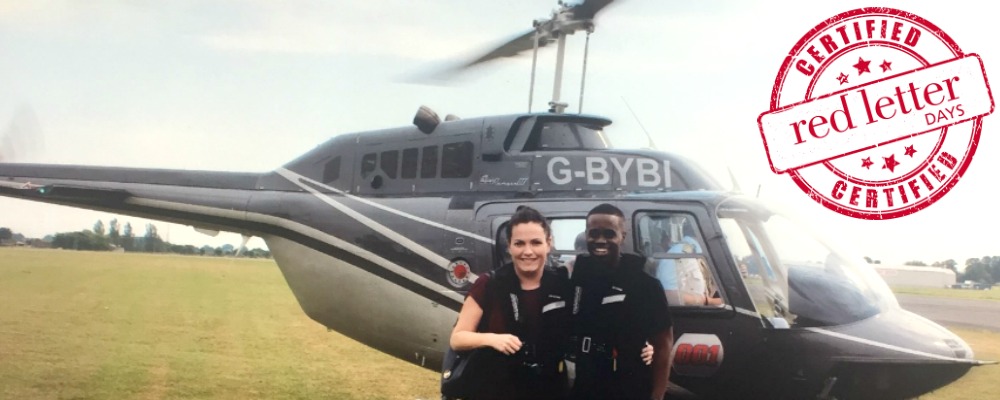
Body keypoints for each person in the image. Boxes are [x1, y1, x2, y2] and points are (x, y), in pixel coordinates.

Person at [449, 206, 571, 399]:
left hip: (548, 387)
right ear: (509, 246)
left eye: (536, 243)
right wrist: (492, 339)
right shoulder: (489, 284)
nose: (528, 251)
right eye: (519, 243)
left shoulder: (562, 284)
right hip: (497, 388)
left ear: (549, 244)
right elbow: (457, 339)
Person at [566, 203, 673, 400]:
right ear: (586, 235)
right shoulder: (574, 277)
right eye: (594, 233)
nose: (600, 240)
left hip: (629, 385)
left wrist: (657, 395)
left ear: (622, 236)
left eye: (609, 234)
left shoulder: (645, 284)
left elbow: (664, 343)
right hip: (586, 383)